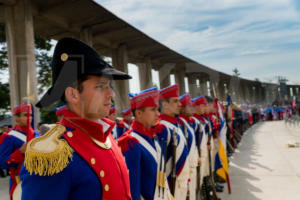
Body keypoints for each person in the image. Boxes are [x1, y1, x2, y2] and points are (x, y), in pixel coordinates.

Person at [21, 37, 132, 200]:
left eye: (109, 86)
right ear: (73, 94)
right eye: (101, 86)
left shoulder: (106, 137)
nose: (111, 94)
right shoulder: (52, 155)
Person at [118, 87, 173, 200]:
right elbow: (133, 190)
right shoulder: (131, 143)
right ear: (138, 113)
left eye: (157, 109)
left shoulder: (152, 137)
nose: (158, 114)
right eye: (153, 109)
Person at [156, 84, 189, 200]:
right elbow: (160, 165)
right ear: (164, 104)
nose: (180, 104)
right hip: (171, 186)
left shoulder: (175, 125)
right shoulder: (162, 128)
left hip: (181, 183)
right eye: (175, 101)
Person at [0, 103, 38, 199]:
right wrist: (20, 152)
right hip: (19, 182)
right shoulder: (9, 137)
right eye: (25, 115)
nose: (29, 118)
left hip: (38, 180)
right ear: (16, 118)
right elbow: (3, 163)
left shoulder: (37, 134)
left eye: (30, 115)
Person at [179, 94, 199, 200]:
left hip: (191, 165)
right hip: (184, 170)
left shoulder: (187, 122)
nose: (192, 108)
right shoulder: (181, 124)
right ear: (182, 108)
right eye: (189, 106)